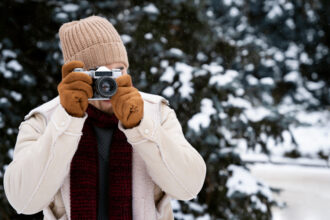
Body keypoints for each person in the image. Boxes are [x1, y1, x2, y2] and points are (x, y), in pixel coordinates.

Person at [3, 15, 206, 220]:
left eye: (118, 70)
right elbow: (23, 202)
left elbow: (189, 187)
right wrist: (67, 120)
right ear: (76, 75)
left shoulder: (155, 112)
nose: (108, 83)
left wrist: (141, 126)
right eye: (97, 73)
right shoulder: (44, 120)